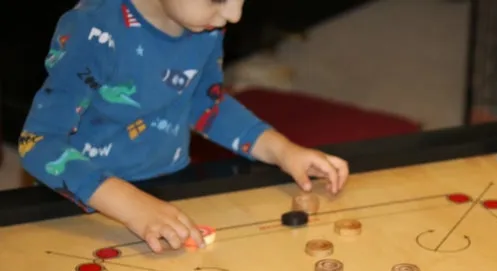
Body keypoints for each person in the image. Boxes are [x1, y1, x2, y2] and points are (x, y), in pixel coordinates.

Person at [17, 0, 349, 253]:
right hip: (81, 202)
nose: (234, 16)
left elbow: (205, 103)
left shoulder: (204, 22)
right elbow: (39, 143)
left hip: (168, 188)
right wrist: (133, 206)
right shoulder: (93, 30)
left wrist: (283, 150)